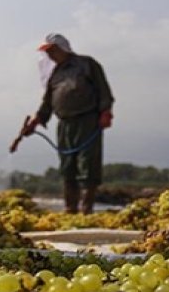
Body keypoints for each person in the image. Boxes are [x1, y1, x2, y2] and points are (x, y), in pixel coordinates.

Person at [17, 34, 115, 214]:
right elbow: (47, 102)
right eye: (48, 52)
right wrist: (36, 120)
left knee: (88, 167)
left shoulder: (87, 64)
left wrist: (106, 111)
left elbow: (103, 90)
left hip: (87, 120)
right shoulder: (55, 73)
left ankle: (87, 210)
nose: (50, 55)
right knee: (67, 168)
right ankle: (70, 209)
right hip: (64, 123)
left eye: (52, 50)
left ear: (63, 48)